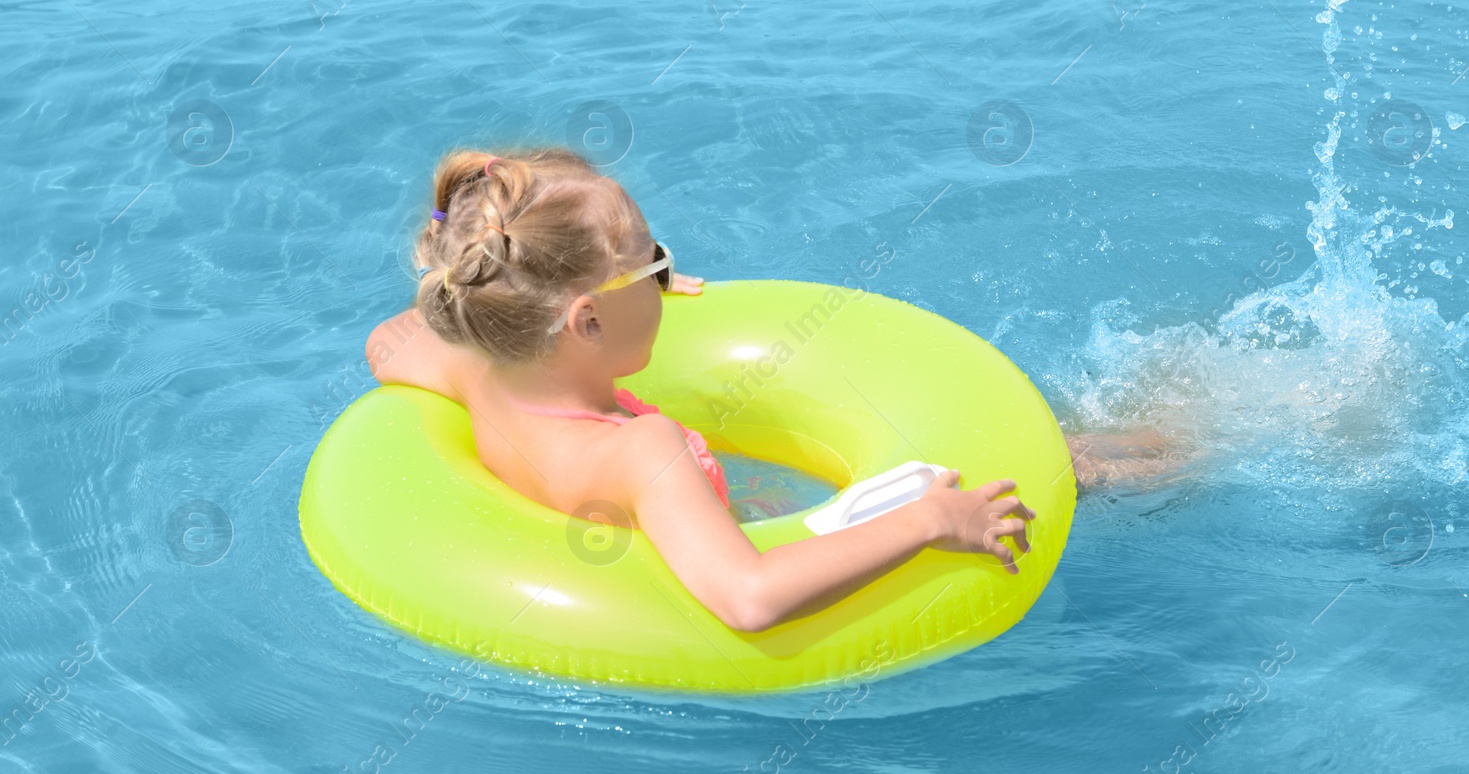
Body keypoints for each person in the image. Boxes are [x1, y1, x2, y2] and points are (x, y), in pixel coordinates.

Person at [364, 147, 1161, 633]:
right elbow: (750, 596)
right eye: (658, 263)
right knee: (1068, 463)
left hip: (669, 490)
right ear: (588, 323)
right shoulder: (641, 452)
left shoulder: (476, 367)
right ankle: (1205, 442)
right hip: (749, 539)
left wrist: (615, 289)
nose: (671, 278)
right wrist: (929, 522)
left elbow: (388, 339)